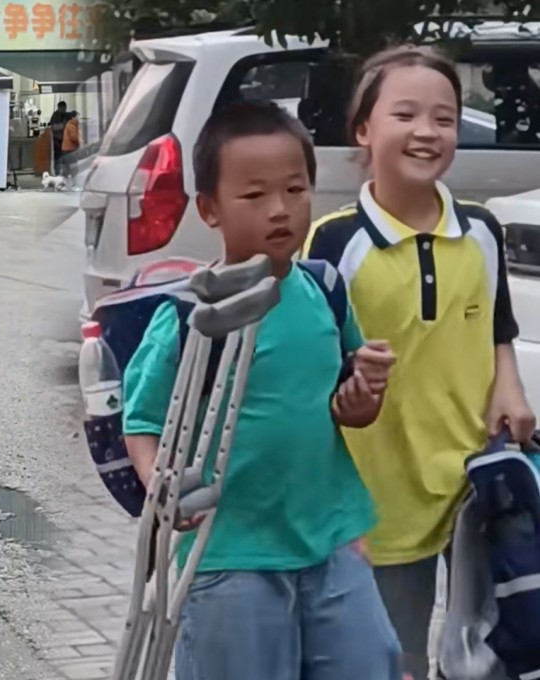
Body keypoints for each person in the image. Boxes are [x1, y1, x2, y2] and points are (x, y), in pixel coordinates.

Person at [122, 99, 403, 680]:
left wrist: (363, 396)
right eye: (254, 196)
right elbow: (143, 421)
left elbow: (348, 409)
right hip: (229, 557)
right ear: (210, 209)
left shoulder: (325, 289)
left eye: (296, 190)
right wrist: (160, 483)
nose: (280, 210)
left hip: (330, 545)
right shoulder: (187, 316)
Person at [304, 46, 536, 680]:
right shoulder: (333, 242)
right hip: (383, 504)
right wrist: (347, 394)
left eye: (445, 117)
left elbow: (497, 326)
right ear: (363, 130)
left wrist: (510, 387)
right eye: (405, 114)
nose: (427, 132)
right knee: (390, 660)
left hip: (478, 491)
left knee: (496, 653)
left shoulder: (482, 231)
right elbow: (311, 367)